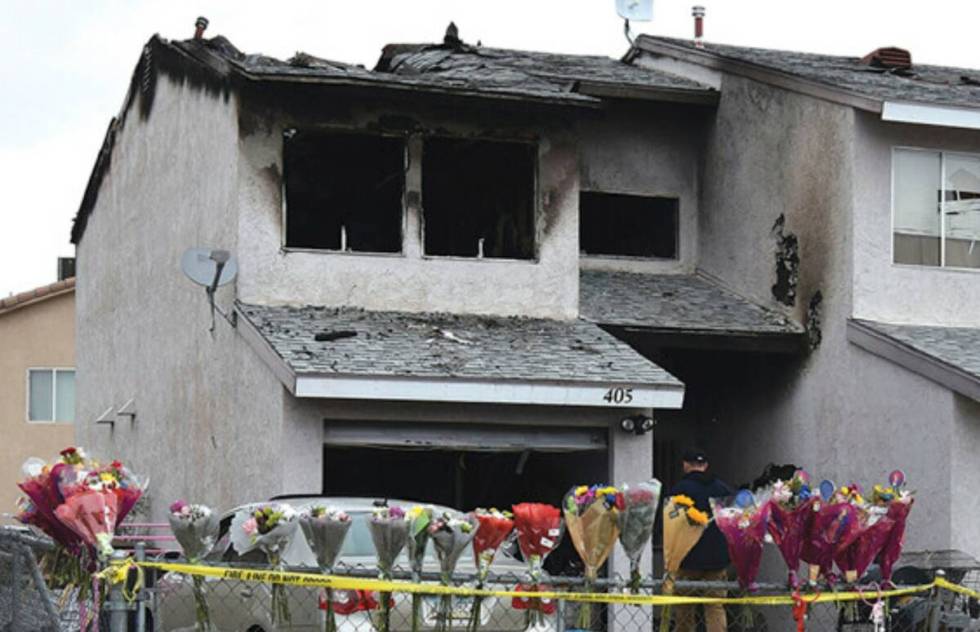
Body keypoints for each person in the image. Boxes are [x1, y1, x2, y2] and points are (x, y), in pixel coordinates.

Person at [670, 447, 734, 632]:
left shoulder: (680, 490)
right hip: (717, 560)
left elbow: (670, 522)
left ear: (685, 465)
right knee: (714, 606)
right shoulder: (722, 489)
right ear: (705, 465)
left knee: (684, 607)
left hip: (687, 558)